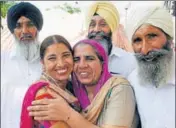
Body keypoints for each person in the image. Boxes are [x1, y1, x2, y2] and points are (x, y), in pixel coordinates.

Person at [28, 39, 138, 128]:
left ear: (103, 63)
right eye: (76, 59)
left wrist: (68, 114)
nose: (82, 65)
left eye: (89, 59)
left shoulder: (119, 88)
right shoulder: (72, 91)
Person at [126, 6, 175, 128]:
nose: (145, 49)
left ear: (169, 38)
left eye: (152, 36)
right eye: (137, 40)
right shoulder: (133, 81)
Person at [20, 35, 80, 128]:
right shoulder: (43, 95)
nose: (61, 63)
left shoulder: (72, 87)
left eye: (66, 55)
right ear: (43, 63)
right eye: (52, 58)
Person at [1, 2, 43, 128]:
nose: (25, 31)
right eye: (18, 26)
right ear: (13, 31)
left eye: (30, 24)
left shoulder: (47, 61)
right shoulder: (3, 60)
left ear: (38, 27)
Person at [85, 1, 137, 77]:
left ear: (112, 28)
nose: (96, 29)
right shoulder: (78, 59)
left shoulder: (129, 61)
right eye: (92, 25)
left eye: (103, 24)